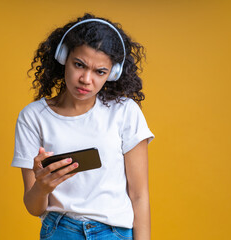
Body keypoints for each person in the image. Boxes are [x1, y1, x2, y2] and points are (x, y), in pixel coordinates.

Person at [11, 13, 155, 240]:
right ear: (63, 59)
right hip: (60, 230)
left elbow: (139, 195)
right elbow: (34, 207)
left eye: (100, 72)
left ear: (113, 74)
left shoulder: (125, 112)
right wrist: (42, 187)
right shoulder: (32, 117)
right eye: (79, 65)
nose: (86, 79)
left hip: (114, 233)